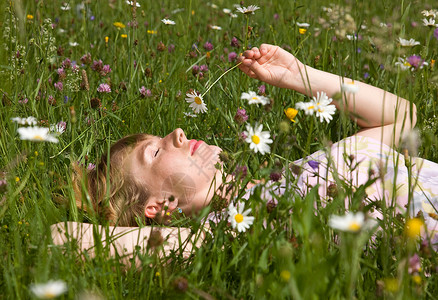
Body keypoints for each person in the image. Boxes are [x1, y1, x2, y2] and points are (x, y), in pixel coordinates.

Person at [51, 44, 438, 260]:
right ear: (161, 206)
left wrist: (301, 77)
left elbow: (403, 117)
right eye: (154, 152)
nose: (178, 132)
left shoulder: (304, 168)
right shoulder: (233, 234)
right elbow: (61, 237)